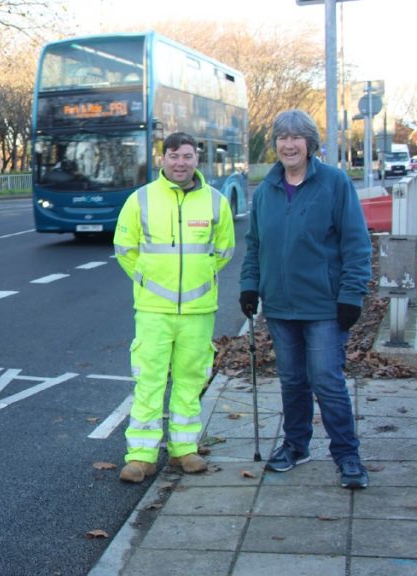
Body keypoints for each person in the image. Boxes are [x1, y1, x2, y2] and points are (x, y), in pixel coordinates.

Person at [239, 109, 372, 490]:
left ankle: (347, 455)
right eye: (282, 137)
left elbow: (357, 245)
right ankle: (297, 445)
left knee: (327, 381)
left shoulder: (334, 183)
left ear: (310, 143)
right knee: (292, 381)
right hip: (280, 307)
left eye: (297, 137)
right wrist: (250, 286)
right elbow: (254, 246)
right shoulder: (266, 190)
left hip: (324, 308)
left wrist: (351, 296)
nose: (289, 144)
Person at [114, 132, 235, 483]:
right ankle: (141, 456)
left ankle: (184, 450)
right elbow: (124, 248)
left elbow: (224, 250)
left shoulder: (215, 202)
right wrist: (147, 280)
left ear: (196, 160)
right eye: (173, 156)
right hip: (153, 309)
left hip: (198, 311)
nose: (180, 162)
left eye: (187, 156)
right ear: (162, 159)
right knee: (148, 381)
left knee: (190, 381)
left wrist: (200, 281)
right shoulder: (141, 200)